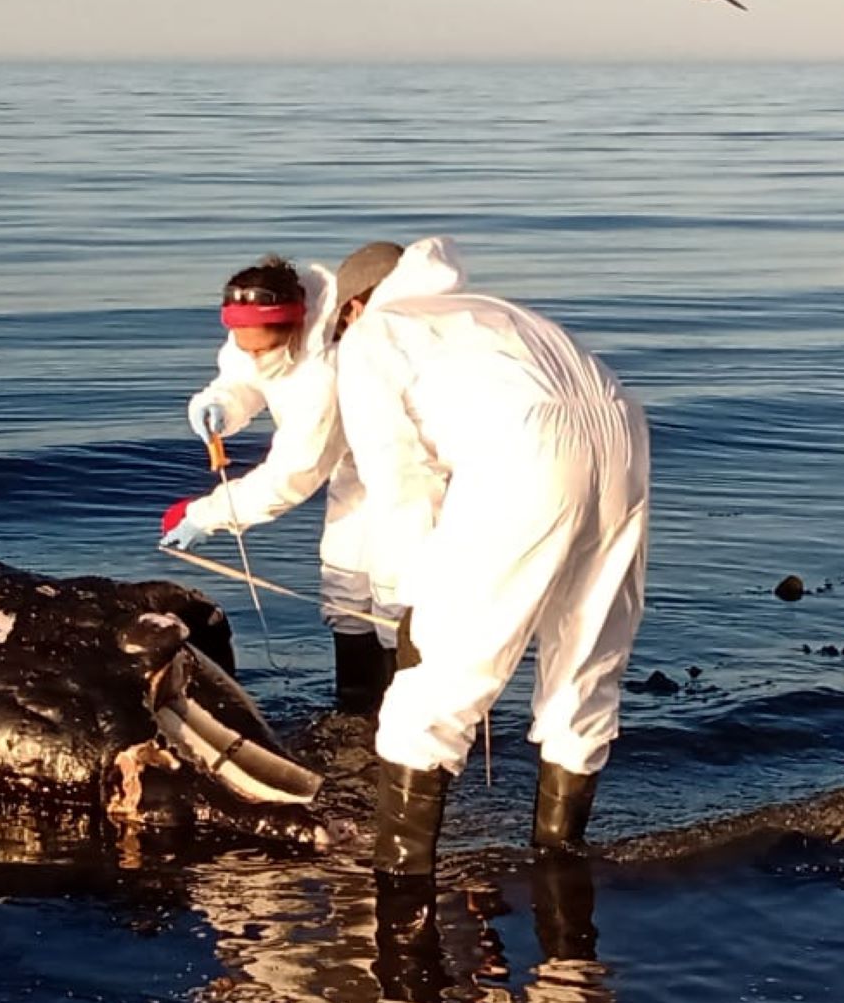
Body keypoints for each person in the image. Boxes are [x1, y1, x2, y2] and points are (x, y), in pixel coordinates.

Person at [330, 236, 650, 875]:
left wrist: (408, 599)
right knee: (586, 659)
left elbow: (397, 479)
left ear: (351, 310)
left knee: (439, 686)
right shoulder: (494, 310)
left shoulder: (374, 336)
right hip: (622, 433)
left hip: (527, 448)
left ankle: (400, 884)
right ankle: (561, 863)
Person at [158, 255, 394, 713]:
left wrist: (207, 514)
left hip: (397, 471)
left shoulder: (323, 372)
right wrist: (222, 404)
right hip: (353, 470)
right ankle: (357, 710)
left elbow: (293, 474)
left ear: (295, 326)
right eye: (243, 344)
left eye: (262, 347)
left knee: (393, 595)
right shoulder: (259, 344)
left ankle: (406, 723)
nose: (252, 355)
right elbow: (245, 374)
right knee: (345, 583)